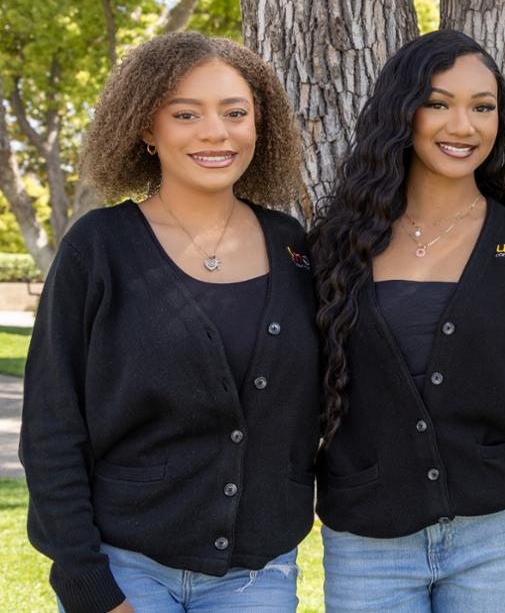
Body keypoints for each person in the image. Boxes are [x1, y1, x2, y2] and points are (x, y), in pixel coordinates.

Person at [20, 32, 321, 612]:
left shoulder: (294, 250)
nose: (216, 132)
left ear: (261, 127)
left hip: (259, 577)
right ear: (146, 129)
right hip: (126, 570)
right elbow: (52, 425)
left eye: (236, 113)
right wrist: (86, 581)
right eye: (186, 114)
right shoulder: (98, 247)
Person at [309, 29, 505, 613]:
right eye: (439, 103)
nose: (464, 126)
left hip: (498, 546)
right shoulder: (333, 249)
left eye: (482, 107)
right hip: (367, 548)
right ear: (401, 113)